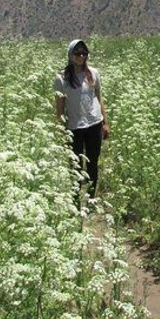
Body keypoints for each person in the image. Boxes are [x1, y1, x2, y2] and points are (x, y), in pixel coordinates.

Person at [54, 39, 110, 199]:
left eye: (84, 53)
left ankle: (91, 198)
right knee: (75, 165)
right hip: (74, 127)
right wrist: (61, 130)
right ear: (70, 55)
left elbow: (99, 98)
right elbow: (59, 108)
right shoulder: (61, 78)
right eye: (77, 53)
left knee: (93, 162)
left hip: (94, 124)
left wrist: (105, 122)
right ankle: (75, 200)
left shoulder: (93, 73)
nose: (81, 56)